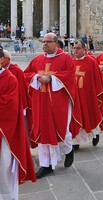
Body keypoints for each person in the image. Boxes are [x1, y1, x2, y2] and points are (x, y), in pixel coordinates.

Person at [24, 33, 82, 179]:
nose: (45, 44)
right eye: (43, 42)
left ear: (56, 43)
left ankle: (68, 149)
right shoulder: (38, 59)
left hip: (58, 101)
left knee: (60, 129)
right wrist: (36, 77)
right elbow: (27, 74)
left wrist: (51, 78)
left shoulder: (65, 58)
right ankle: (46, 165)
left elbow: (69, 75)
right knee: (43, 130)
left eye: (48, 42)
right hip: (40, 102)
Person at [0, 49, 36, 199]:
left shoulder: (10, 79)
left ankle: (7, 196)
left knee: (4, 166)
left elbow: (10, 105)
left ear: (1, 59)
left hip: (4, 132)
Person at [72, 41, 103, 149]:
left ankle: (95, 134)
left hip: (88, 96)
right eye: (74, 48)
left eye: (78, 48)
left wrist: (96, 94)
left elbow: (97, 79)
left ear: (85, 50)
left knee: (90, 115)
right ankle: (75, 142)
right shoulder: (71, 61)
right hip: (75, 96)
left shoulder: (91, 62)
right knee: (76, 117)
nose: (75, 50)